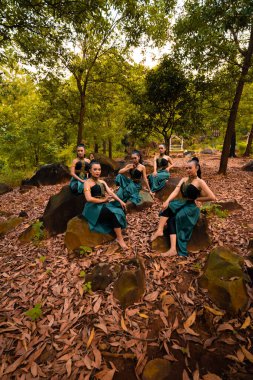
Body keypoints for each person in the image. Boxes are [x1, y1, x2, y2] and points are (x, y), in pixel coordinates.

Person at [150, 157, 216, 257]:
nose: (187, 170)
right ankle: (160, 232)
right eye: (186, 168)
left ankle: (172, 248)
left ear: (197, 168)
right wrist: (167, 201)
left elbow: (212, 197)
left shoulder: (200, 182)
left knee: (174, 218)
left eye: (190, 168)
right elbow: (176, 191)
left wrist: (197, 199)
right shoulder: (184, 179)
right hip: (181, 202)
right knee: (169, 207)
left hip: (190, 207)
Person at [82, 161, 128, 249]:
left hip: (103, 204)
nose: (97, 171)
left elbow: (111, 193)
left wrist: (121, 201)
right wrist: (104, 200)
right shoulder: (87, 183)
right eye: (95, 169)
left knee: (120, 208)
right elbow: (89, 198)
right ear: (90, 171)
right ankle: (119, 238)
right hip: (93, 207)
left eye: (99, 169)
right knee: (113, 213)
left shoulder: (102, 182)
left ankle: (117, 229)